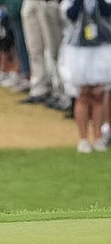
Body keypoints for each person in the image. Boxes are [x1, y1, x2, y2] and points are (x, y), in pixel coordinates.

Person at [58, 0, 111, 153]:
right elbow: (69, 15)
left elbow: (107, 12)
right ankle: (83, 138)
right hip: (79, 50)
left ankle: (98, 136)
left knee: (99, 94)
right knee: (83, 94)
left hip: (100, 48)